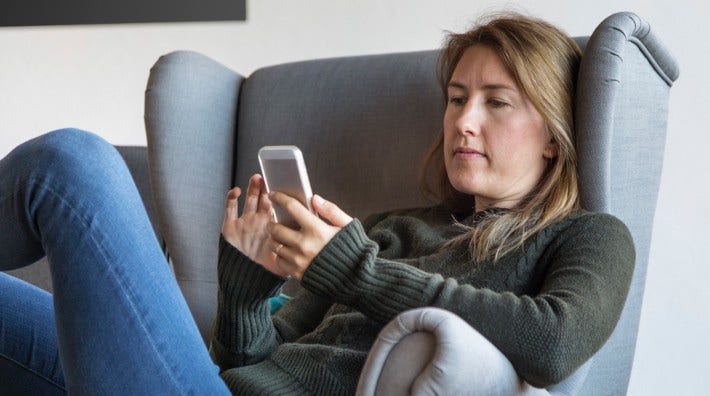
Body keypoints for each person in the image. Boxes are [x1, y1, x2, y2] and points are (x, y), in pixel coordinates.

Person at [0, 13, 634, 395]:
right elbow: (252, 361)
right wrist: (247, 286)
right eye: (456, 97)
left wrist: (353, 269)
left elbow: (553, 343)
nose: (463, 121)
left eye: (496, 102)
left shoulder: (587, 236)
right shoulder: (391, 227)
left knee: (71, 166)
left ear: (553, 134)